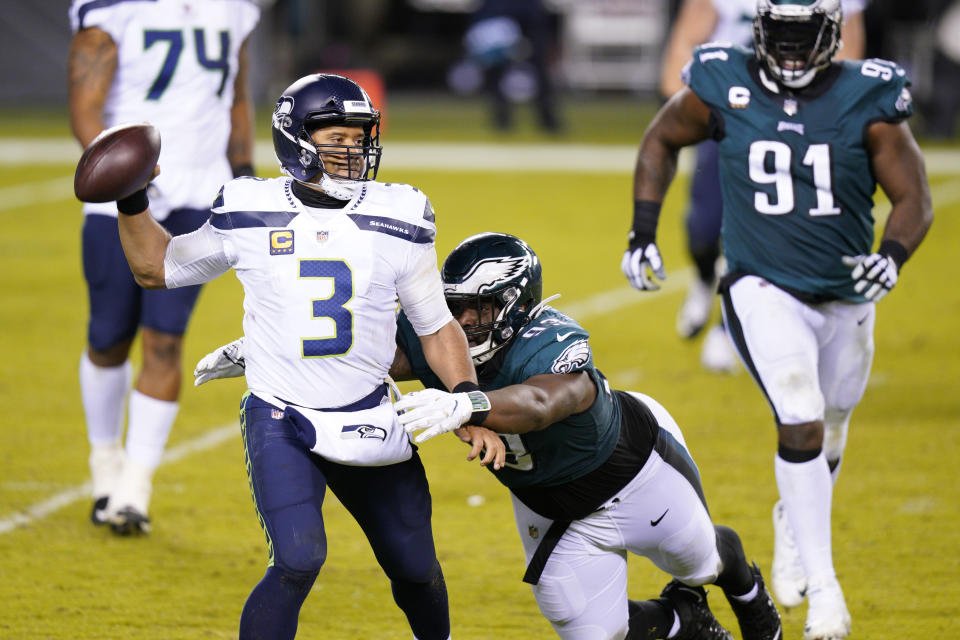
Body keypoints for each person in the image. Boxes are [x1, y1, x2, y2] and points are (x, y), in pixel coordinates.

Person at [195, 232, 782, 640]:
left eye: (477, 309)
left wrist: (468, 403)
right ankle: (683, 622)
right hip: (548, 505)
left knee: (702, 559)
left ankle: (751, 599)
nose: (462, 322)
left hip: (629, 472)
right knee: (597, 630)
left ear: (512, 304)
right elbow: (363, 352)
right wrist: (267, 352)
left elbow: (547, 401)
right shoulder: (440, 338)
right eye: (456, 308)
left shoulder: (551, 337)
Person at [111, 72, 504, 639]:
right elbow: (158, 267)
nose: (353, 150)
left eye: (359, 136)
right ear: (296, 139)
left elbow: (436, 325)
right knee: (297, 558)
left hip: (370, 412)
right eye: (336, 138)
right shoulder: (248, 204)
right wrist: (131, 198)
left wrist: (468, 400)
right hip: (282, 414)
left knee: (417, 572)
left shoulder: (404, 212)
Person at [620, 0, 933, 637]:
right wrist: (643, 232)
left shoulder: (867, 94)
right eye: (780, 34)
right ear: (760, 31)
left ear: (831, 33)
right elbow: (661, 138)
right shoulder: (721, 80)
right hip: (763, 285)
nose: (790, 50)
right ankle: (826, 591)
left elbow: (913, 195)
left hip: (845, 292)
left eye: (804, 35)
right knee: (799, 413)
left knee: (832, 428)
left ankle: (794, 528)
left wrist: (892, 256)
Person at [67, 0, 260, 534]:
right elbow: (86, 106)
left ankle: (134, 489)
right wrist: (120, 174)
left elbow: (236, 97)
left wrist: (242, 172)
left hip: (200, 189)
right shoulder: (113, 9)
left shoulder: (236, 9)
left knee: (165, 339)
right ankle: (104, 465)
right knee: (107, 336)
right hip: (121, 197)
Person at [655, 0, 866, 373]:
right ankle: (705, 278)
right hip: (731, 117)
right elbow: (682, 47)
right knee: (703, 230)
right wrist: (695, 99)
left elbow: (849, 56)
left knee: (768, 229)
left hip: (794, 125)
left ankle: (727, 328)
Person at [465, 0, 562, 132]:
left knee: (538, 69)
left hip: (520, 10)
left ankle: (547, 120)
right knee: (497, 69)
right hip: (501, 11)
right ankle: (503, 120)